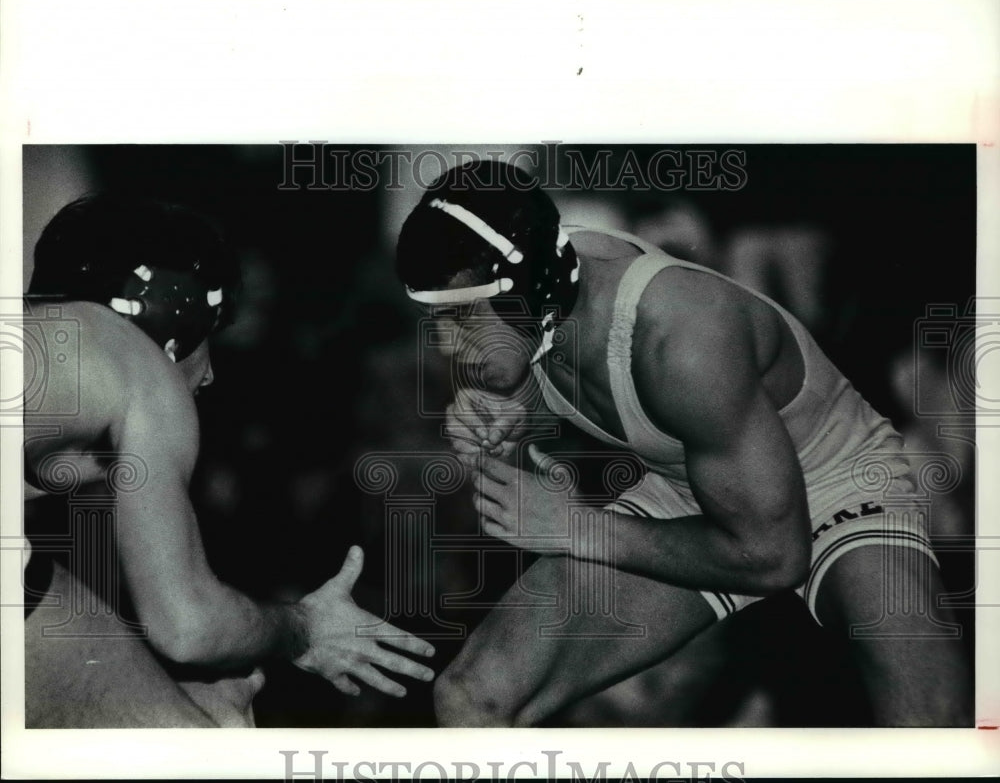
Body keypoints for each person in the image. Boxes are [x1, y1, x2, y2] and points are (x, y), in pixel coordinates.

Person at [394, 160, 972, 727]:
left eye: (463, 318)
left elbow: (774, 557)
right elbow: (570, 376)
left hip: (836, 482)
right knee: (474, 697)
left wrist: (578, 528)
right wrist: (510, 416)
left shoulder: (682, 337)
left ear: (530, 291)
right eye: (436, 318)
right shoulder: (544, 288)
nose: (447, 344)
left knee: (931, 725)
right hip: (692, 485)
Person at [22, 195, 435, 728]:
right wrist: (303, 629)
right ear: (171, 317)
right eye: (208, 340)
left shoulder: (43, 350)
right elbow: (187, 627)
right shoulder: (139, 368)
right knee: (192, 743)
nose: (211, 375)